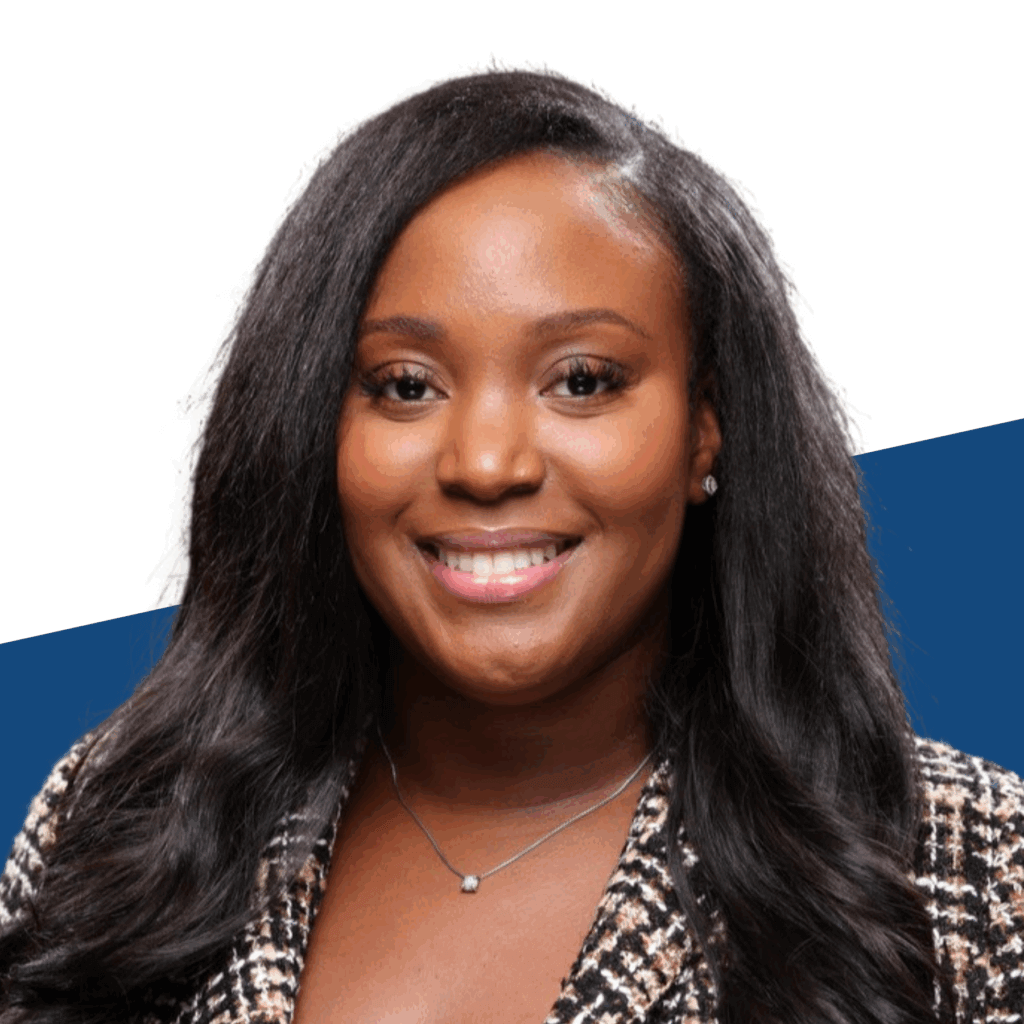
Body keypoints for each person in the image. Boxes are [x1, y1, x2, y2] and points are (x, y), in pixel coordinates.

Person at [1, 69, 1021, 1024]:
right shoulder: (124, 823)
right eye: (405, 384)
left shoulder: (970, 867)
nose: (486, 462)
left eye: (582, 379)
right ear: (313, 429)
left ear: (705, 425)